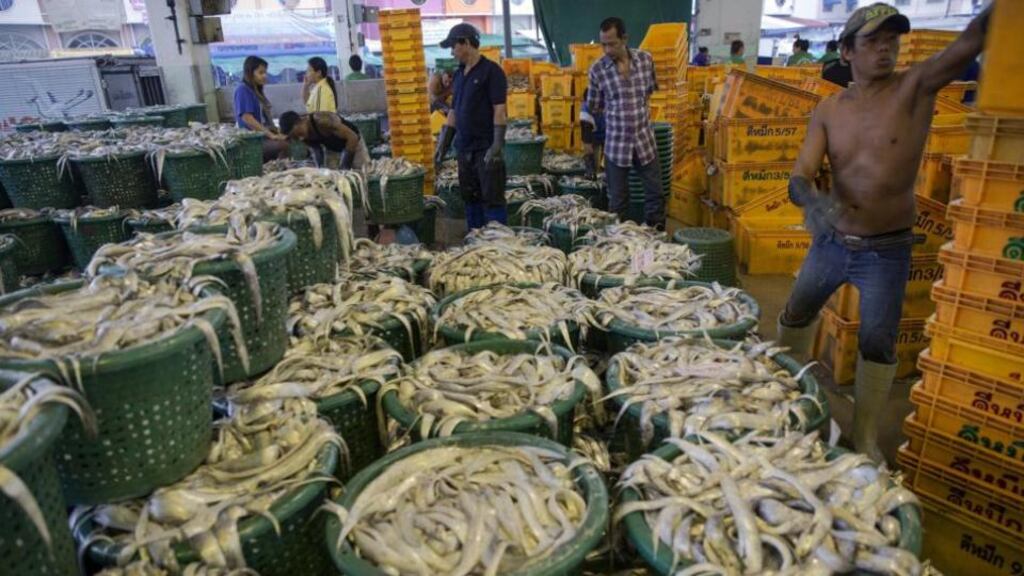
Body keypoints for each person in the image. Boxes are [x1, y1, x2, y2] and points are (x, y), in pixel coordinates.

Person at [778, 2, 991, 463]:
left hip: (887, 248)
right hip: (832, 240)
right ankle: (788, 400)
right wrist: (808, 198)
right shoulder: (829, 110)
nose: (885, 50)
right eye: (873, 41)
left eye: (891, 41)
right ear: (847, 51)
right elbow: (802, 171)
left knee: (877, 340)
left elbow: (970, 41)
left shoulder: (913, 89)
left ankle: (866, 434)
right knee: (795, 313)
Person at [586, 16, 663, 228]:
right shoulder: (597, 70)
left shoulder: (646, 60)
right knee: (618, 200)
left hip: (644, 140)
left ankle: (656, 234)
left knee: (655, 193)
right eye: (603, 44)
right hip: (616, 144)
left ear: (625, 38)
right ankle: (617, 242)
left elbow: (648, 92)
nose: (607, 50)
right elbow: (594, 106)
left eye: (613, 43)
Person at [434, 23, 508, 230]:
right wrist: (443, 145)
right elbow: (453, 113)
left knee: (492, 198)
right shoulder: (458, 75)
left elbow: (499, 111)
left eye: (453, 46)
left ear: (466, 43)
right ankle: (475, 240)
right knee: (470, 198)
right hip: (464, 149)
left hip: (485, 148)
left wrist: (497, 145)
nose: (452, 52)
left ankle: (498, 243)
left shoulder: (492, 72)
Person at [233, 56, 289, 161]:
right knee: (285, 145)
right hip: (251, 141)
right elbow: (247, 118)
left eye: (265, 72)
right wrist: (271, 135)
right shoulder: (243, 90)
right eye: (261, 73)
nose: (264, 76)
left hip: (260, 137)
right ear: (250, 72)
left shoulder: (256, 91)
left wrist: (274, 131)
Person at [278, 111, 369, 171]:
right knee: (333, 177)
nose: (299, 138)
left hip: (354, 142)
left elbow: (352, 137)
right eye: (295, 138)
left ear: (299, 122)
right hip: (332, 148)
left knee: (361, 173)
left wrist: (345, 164)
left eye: (297, 134)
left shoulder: (321, 120)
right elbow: (316, 150)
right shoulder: (302, 136)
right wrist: (320, 167)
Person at [578, 87, 605, 181]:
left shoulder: (610, 107)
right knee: (592, 160)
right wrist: (590, 163)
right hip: (593, 135)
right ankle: (592, 174)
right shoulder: (585, 114)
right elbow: (587, 143)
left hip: (608, 132)